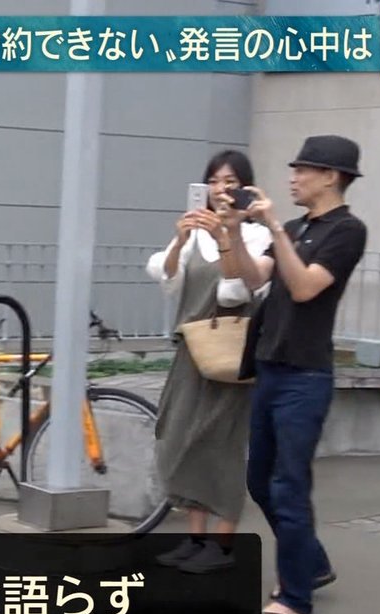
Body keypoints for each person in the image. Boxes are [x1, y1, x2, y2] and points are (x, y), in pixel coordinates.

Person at [226, 135, 368, 614]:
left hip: (305, 376)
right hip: (270, 367)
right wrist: (231, 231)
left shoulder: (347, 231)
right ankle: (312, 563)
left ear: (331, 176)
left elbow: (306, 287)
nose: (293, 177)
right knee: (259, 481)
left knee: (289, 485)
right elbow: (250, 277)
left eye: (303, 169)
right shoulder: (292, 226)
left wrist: (272, 228)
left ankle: (295, 599)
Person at [146, 151, 272, 573]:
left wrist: (225, 236)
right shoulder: (195, 231)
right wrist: (182, 240)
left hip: (229, 355)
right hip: (190, 353)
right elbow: (167, 279)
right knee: (180, 442)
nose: (221, 189)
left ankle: (223, 544)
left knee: (221, 448)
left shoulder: (256, 236)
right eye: (214, 181)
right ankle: (195, 537)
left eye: (230, 181)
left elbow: (237, 293)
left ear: (245, 188)